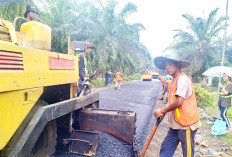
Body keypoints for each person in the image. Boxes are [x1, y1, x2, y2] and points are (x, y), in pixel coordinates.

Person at [153, 53, 202, 157]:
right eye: (166, 65)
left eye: (170, 64)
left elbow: (179, 101)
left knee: (187, 154)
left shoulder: (182, 79)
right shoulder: (174, 79)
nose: (167, 67)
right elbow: (172, 101)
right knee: (166, 149)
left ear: (178, 65)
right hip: (175, 125)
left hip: (186, 125)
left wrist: (162, 111)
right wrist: (164, 111)